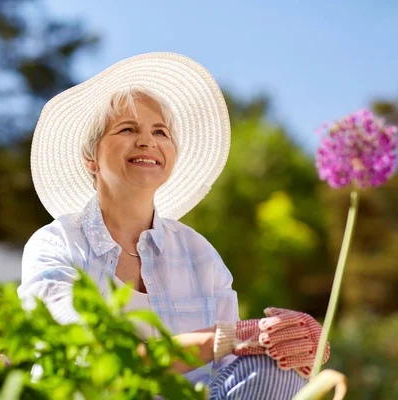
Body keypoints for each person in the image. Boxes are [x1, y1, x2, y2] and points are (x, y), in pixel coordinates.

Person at [18, 52, 329, 399]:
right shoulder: (55, 244)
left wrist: (281, 344)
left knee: (276, 366)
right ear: (90, 160)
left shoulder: (200, 255)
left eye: (160, 131)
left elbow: (232, 371)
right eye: (127, 129)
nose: (148, 141)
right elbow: (83, 359)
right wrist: (226, 336)